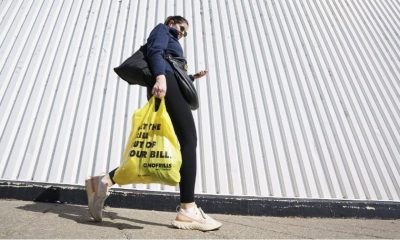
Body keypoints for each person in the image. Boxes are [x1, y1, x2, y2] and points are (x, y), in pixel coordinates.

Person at [85, 16, 222, 231]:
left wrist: (192, 77)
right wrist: (160, 77)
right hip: (164, 80)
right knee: (188, 140)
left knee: (162, 147)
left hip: (169, 82)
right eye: (181, 28)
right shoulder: (162, 30)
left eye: (186, 32)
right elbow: (155, 52)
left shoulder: (173, 41)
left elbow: (175, 70)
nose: (182, 33)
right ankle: (188, 209)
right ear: (171, 23)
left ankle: (104, 181)